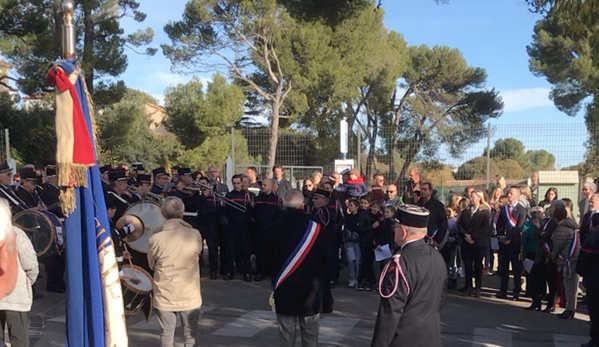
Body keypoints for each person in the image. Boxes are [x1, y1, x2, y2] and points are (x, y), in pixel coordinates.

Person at [371, 204, 447, 347]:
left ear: (404, 232)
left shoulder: (400, 263)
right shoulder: (437, 256)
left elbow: (390, 313)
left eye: (396, 227)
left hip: (404, 340)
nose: (394, 231)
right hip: (431, 338)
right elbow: (440, 299)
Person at [265, 189, 326, 347]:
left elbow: (265, 259)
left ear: (283, 204)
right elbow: (326, 258)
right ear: (302, 204)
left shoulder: (273, 228)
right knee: (310, 337)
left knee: (286, 336)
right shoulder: (316, 227)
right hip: (310, 289)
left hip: (285, 286)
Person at [147, 197, 203, 347]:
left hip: (165, 292)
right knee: (190, 336)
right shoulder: (194, 234)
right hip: (189, 293)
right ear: (182, 213)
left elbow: (151, 263)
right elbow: (198, 253)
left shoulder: (156, 238)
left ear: (163, 214)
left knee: (166, 335)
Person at [0, 199, 39, 347]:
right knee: (19, 340)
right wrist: (28, 282)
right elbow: (30, 264)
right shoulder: (16, 234)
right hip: (15, 296)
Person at [495, 185, 527, 301]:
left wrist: (509, 237)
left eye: (511, 193)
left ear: (517, 195)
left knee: (516, 269)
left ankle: (516, 291)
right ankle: (503, 290)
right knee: (503, 269)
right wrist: (501, 236)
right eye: (508, 193)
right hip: (503, 244)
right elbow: (499, 224)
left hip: (514, 244)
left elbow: (519, 226)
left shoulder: (522, 210)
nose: (509, 195)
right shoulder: (504, 209)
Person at [459, 189, 492, 298]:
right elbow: (460, 225)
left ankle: (478, 287)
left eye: (473, 197)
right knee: (468, 265)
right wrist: (466, 236)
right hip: (467, 243)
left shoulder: (485, 211)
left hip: (479, 243)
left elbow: (486, 228)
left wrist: (473, 237)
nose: (471, 199)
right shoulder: (467, 210)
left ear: (479, 198)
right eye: (471, 197)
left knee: (478, 266)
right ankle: (468, 286)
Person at [550, 204, 580, 319]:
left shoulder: (562, 229)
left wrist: (553, 256)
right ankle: (571, 307)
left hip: (568, 260)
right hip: (575, 258)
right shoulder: (572, 227)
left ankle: (570, 309)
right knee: (573, 285)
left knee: (569, 285)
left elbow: (558, 245)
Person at [224, 174, 254, 281]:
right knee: (231, 250)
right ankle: (229, 272)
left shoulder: (247, 195)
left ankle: (247, 273)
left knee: (245, 250)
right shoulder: (229, 196)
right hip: (232, 226)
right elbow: (225, 211)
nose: (236, 185)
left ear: (242, 183)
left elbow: (251, 211)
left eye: (238, 183)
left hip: (244, 226)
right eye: (234, 183)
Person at [576, 213, 599, 347]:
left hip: (594, 280)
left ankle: (595, 340)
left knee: (595, 312)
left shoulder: (594, 237)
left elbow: (584, 258)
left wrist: (581, 272)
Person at [253, 178, 281, 281]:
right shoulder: (258, 198)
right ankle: (260, 272)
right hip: (260, 229)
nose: (262, 187)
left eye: (265, 185)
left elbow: (279, 214)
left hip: (272, 230)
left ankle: (272, 272)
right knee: (260, 252)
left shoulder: (276, 199)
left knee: (272, 252)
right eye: (262, 185)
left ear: (270, 186)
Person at [417, 181, 447, 249]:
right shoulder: (416, 205)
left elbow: (443, 224)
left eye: (425, 189)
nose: (422, 191)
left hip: (432, 239)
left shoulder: (438, 206)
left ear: (431, 191)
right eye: (421, 189)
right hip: (419, 240)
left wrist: (437, 241)